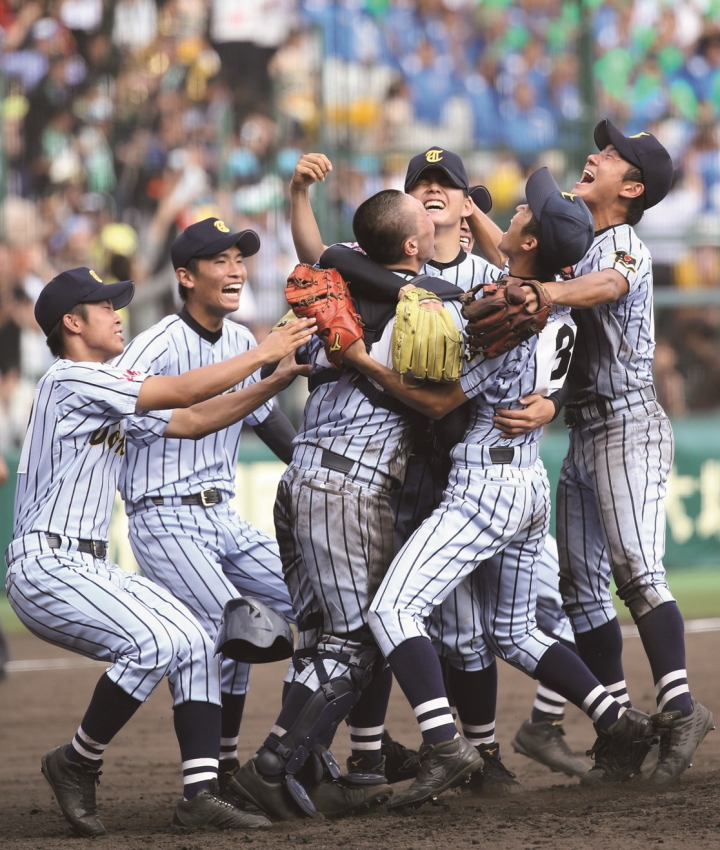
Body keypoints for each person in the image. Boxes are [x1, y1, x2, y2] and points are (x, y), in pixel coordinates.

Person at [342, 167, 656, 810]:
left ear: (533, 242)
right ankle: (618, 723)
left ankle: (445, 746)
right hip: (528, 480)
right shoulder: (552, 297)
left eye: (525, 213)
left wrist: (359, 360)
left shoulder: (510, 305)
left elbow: (439, 402)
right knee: (514, 632)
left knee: (390, 610)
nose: (513, 212)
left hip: (485, 484)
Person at [4, 266, 314, 836]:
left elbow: (195, 419)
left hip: (86, 563)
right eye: (104, 307)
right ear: (72, 323)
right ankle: (76, 760)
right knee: (156, 641)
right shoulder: (70, 378)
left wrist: (274, 380)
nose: (118, 313)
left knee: (198, 637)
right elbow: (182, 390)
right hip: (45, 564)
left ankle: (200, 793)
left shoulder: (107, 392)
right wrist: (264, 350)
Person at [231, 188, 467, 820]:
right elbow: (445, 410)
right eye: (428, 221)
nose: (439, 223)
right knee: (356, 641)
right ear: (412, 245)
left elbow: (327, 267)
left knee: (319, 640)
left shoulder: (331, 287)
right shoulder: (430, 302)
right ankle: (273, 766)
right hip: (350, 485)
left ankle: (306, 763)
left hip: (304, 477)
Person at [496, 119, 715, 785]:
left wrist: (552, 291)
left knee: (636, 569)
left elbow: (607, 287)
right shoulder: (579, 243)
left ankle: (680, 706)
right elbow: (538, 267)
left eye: (613, 155)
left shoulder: (623, 244)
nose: (596, 155)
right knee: (581, 589)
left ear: (634, 186)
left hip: (628, 422)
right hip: (585, 430)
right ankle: (619, 725)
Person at [114, 218, 300, 805]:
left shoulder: (246, 340)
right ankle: (217, 774)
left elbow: (267, 421)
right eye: (220, 261)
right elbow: (125, 420)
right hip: (165, 515)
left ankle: (290, 750)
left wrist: (313, 471)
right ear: (185, 277)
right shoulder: (156, 343)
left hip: (223, 518)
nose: (237, 270)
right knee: (236, 627)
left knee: (323, 607)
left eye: (240, 259)